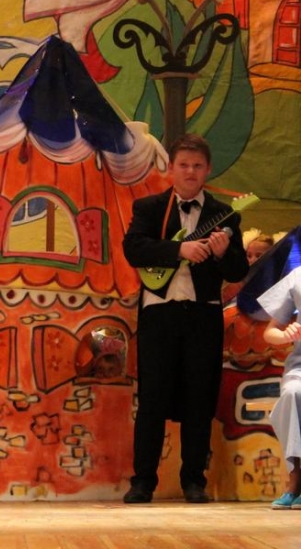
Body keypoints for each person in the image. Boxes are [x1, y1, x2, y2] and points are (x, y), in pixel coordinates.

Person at [121, 133, 248, 504]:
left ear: (207, 170)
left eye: (197, 166)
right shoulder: (149, 207)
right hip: (159, 314)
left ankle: (194, 480)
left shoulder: (225, 214)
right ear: (172, 169)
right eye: (184, 165)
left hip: (203, 315)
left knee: (199, 398)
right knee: (152, 399)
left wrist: (222, 255)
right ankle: (142, 481)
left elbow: (239, 270)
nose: (190, 172)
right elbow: (134, 248)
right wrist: (180, 249)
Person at [256, 267, 301, 508]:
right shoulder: (298, 277)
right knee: (292, 394)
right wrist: (285, 336)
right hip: (300, 367)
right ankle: (295, 479)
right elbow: (270, 332)